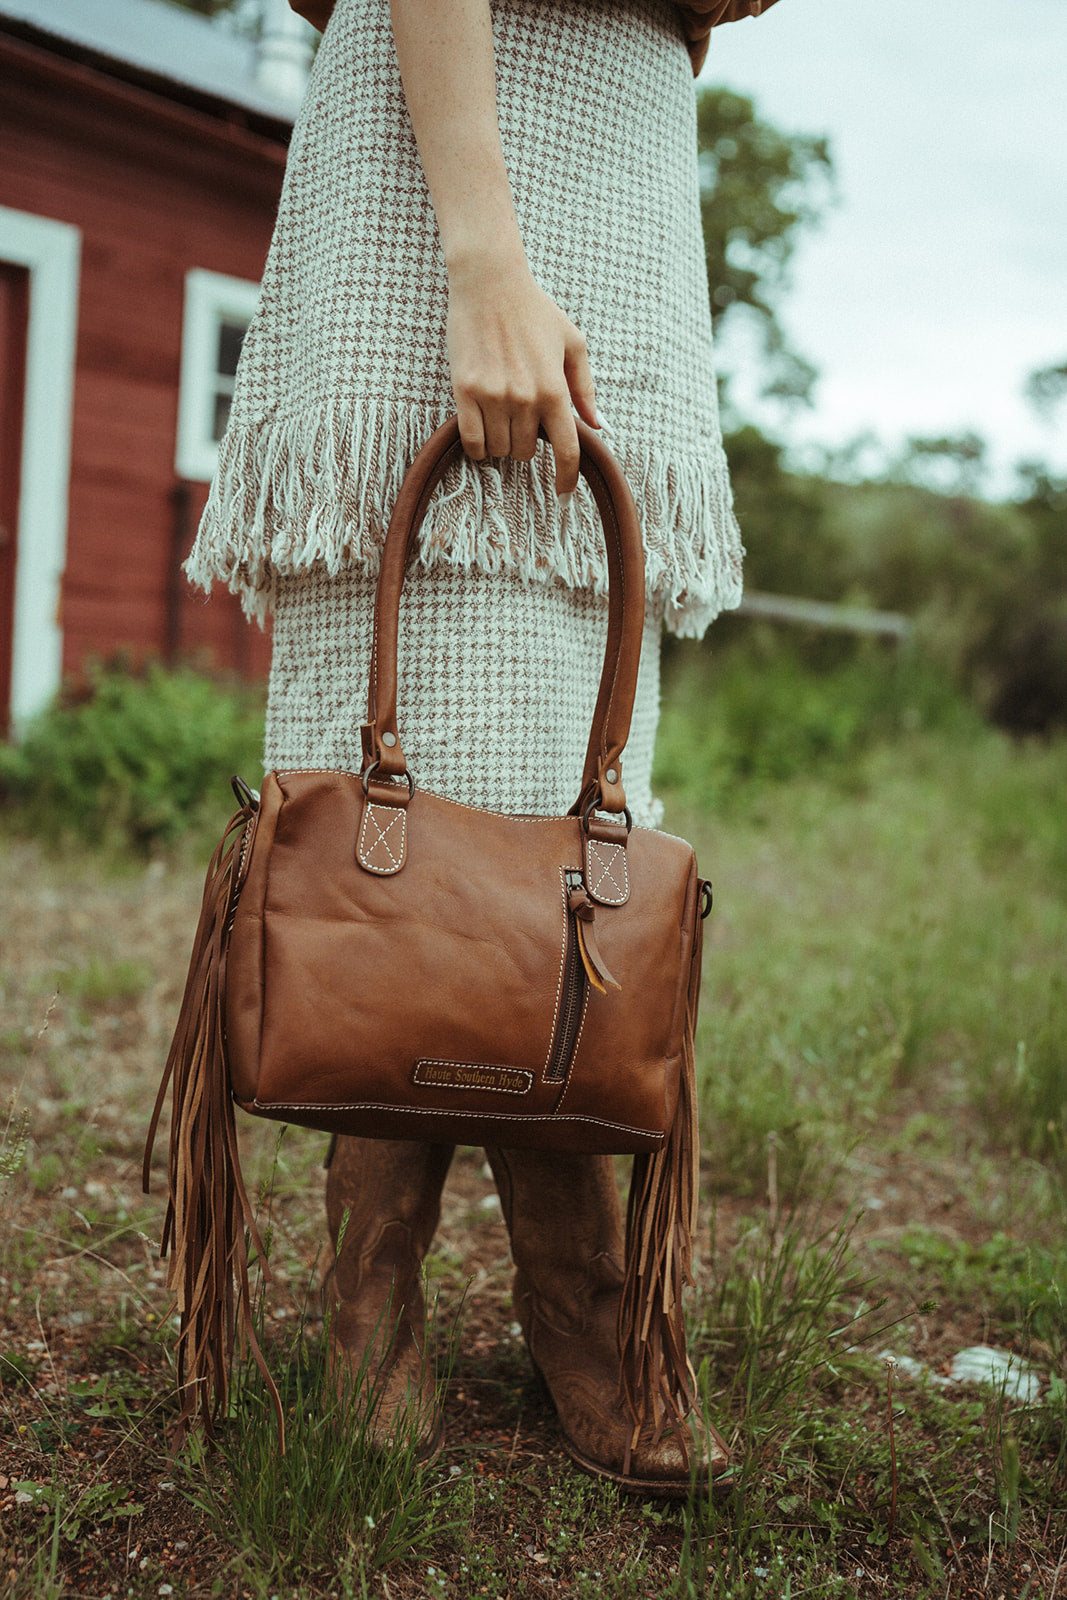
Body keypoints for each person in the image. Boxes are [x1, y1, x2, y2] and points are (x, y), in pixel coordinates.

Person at [187, 0, 773, 1497]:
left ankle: (572, 1284)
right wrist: (484, 258)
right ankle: (371, 1288)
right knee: (413, 734)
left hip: (622, 138)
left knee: (571, 771)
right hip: (450, 119)